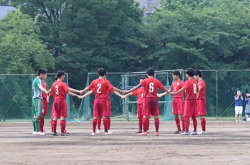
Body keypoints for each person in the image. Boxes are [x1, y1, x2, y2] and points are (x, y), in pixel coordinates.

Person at [78, 68, 126, 136]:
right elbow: (113, 89)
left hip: (96, 100)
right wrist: (122, 92)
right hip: (104, 100)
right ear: (105, 74)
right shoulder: (106, 82)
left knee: (95, 116)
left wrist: (82, 92)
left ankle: (93, 132)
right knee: (105, 116)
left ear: (98, 74)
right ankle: (106, 131)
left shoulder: (94, 81)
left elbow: (89, 89)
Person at [124, 68, 171, 136]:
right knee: (156, 116)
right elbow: (163, 88)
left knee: (145, 116)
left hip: (146, 99)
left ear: (147, 74)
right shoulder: (157, 81)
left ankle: (144, 131)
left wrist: (128, 91)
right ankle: (157, 132)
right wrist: (170, 93)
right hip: (154, 99)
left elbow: (137, 86)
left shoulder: (145, 81)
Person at [47, 70, 81, 136]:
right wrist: (78, 91)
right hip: (61, 100)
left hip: (55, 101)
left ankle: (54, 131)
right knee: (62, 116)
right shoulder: (62, 84)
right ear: (62, 76)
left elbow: (49, 91)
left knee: (55, 116)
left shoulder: (54, 84)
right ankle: (62, 132)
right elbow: (69, 90)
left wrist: (47, 95)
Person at [171, 68, 198, 135]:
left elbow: (183, 88)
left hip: (189, 100)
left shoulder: (188, 82)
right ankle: (195, 131)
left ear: (187, 74)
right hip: (195, 100)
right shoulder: (195, 82)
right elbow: (197, 91)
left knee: (186, 116)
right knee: (194, 116)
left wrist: (175, 93)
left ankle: (186, 131)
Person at [32, 69, 48, 135]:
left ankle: (35, 130)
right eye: (44, 75)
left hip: (34, 99)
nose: (44, 76)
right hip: (38, 98)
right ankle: (38, 131)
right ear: (41, 74)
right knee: (38, 115)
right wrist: (45, 91)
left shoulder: (34, 80)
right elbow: (40, 87)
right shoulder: (38, 80)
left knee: (35, 115)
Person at [194, 70, 207, 135]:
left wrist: (195, 91)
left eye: (194, 76)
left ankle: (203, 130)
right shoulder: (198, 82)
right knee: (200, 115)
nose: (194, 77)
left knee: (201, 115)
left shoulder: (201, 82)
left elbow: (199, 88)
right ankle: (203, 130)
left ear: (197, 75)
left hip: (200, 100)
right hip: (198, 100)